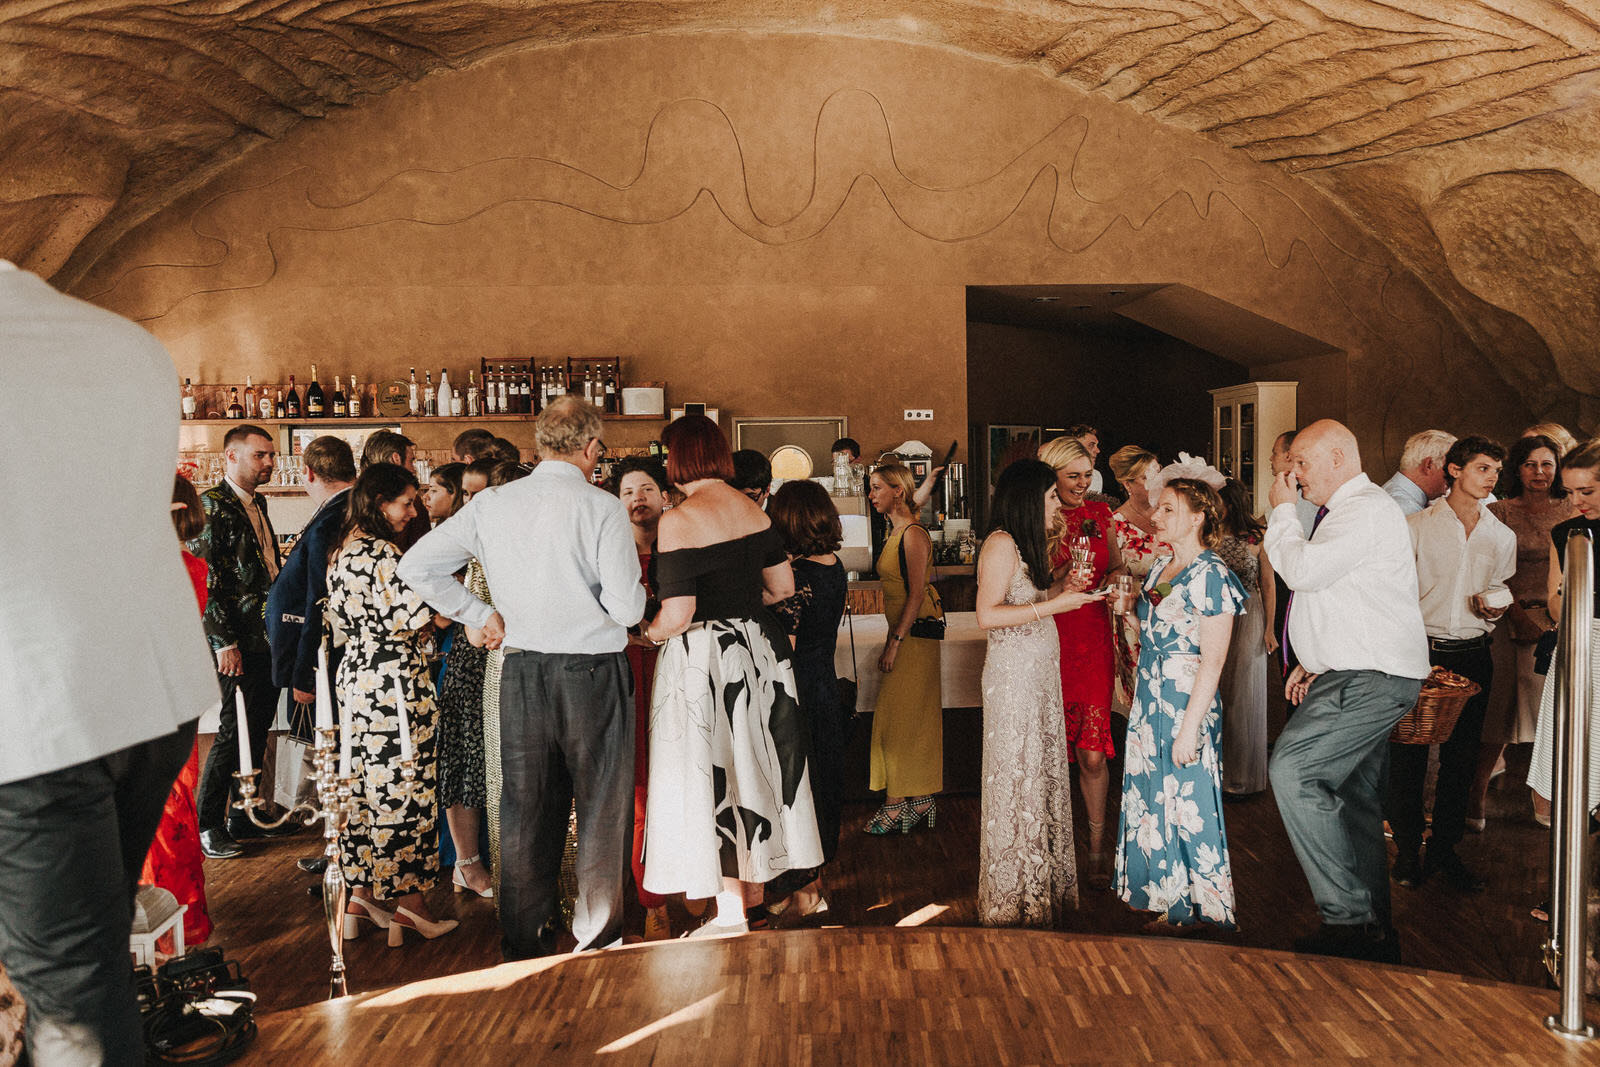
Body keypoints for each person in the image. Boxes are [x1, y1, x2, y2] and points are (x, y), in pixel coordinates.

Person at [0, 260, 216, 1063]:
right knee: (85, 969)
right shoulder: (123, 344)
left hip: (34, 708)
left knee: (73, 1007)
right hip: (150, 688)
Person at [398, 396, 644, 957]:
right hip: (592, 673)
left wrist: (480, 614)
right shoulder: (602, 507)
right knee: (602, 808)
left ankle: (522, 942)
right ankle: (598, 940)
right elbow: (629, 610)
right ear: (591, 449)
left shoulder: (491, 505)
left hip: (522, 671)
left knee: (525, 809)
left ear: (538, 447)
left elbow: (417, 565)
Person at [640, 414, 822, 937]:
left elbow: (677, 614)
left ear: (680, 459)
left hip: (705, 658)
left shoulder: (679, 519)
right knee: (754, 771)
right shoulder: (751, 509)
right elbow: (783, 587)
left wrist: (645, 635)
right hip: (758, 654)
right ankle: (756, 907)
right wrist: (742, 608)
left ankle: (728, 913)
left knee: (711, 772)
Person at [1265, 419, 1430, 963]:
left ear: (1337, 457)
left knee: (1293, 769)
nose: (1294, 475)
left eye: (1302, 464)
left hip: (1371, 678)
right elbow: (1346, 599)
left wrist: (1282, 511)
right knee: (1355, 799)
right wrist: (1315, 662)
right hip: (1354, 672)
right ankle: (1377, 934)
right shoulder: (1356, 513)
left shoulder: (1364, 510)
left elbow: (1302, 571)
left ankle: (1349, 920)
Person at [326, 462, 458, 945]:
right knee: (407, 784)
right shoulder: (381, 553)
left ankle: (360, 895)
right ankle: (411, 907)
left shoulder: (342, 550)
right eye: (406, 501)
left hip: (358, 674)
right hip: (395, 681)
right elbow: (431, 616)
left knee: (365, 787)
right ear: (381, 504)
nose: (413, 509)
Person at [976, 459, 1109, 926]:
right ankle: (1014, 893)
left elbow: (1025, 601)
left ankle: (1040, 883)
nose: (1058, 503)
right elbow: (987, 616)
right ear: (1030, 499)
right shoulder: (999, 545)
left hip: (1037, 673)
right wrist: (1056, 603)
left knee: (1038, 769)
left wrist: (1059, 584)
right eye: (1052, 496)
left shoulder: (1025, 547)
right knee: (1018, 775)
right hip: (1014, 678)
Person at [1115, 462, 1245, 933]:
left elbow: (1213, 660)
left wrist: (1190, 728)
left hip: (1186, 703)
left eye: (1169, 509)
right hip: (1151, 698)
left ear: (1197, 517)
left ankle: (1192, 911)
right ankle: (1163, 895)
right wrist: (1129, 615)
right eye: (1156, 507)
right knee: (1153, 796)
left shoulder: (1212, 574)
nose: (1156, 516)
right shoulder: (1161, 566)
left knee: (1184, 798)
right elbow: (1157, 632)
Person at [1388, 436, 1514, 893]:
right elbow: (1394, 594)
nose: (1491, 478)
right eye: (1483, 468)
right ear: (1454, 469)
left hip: (1473, 654)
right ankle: (1406, 851)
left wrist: (1495, 608)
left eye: (1496, 471)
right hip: (1419, 652)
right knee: (1407, 757)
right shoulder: (1415, 526)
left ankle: (1445, 851)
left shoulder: (1502, 535)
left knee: (1461, 759)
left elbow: (1499, 589)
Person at [190, 423, 293, 859]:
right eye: (260, 455)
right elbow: (204, 579)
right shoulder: (212, 507)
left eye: (271, 455)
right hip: (235, 638)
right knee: (234, 731)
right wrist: (221, 642)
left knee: (257, 726)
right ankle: (208, 823)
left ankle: (242, 814)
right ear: (231, 457)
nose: (269, 462)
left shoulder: (259, 502)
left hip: (266, 634)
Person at [265, 435, 356, 880]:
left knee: (332, 752)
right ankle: (338, 844)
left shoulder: (331, 519)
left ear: (308, 474)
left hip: (323, 661)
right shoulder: (342, 511)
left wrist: (304, 672)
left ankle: (341, 849)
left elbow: (318, 603)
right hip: (324, 657)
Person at [1473, 435, 1572, 828]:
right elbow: (1490, 572)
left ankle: (1545, 801)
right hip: (1507, 622)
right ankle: (1474, 800)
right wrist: (1516, 616)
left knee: (1550, 717)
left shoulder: (1569, 509)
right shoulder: (1498, 511)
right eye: (1530, 464)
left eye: (1547, 464)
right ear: (1517, 469)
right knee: (1496, 717)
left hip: (1557, 624)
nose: (1539, 472)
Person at [1038, 434, 1122, 889]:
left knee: (1092, 754)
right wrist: (1062, 575)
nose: (1083, 485)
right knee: (1049, 751)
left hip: (1092, 640)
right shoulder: (1037, 518)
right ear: (1051, 477)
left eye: (1088, 476)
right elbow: (1026, 587)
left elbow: (1117, 564)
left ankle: (1095, 844)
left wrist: (1115, 580)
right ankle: (1050, 847)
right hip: (1049, 638)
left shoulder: (1100, 512)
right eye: (1073, 477)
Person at [766, 479, 850, 922]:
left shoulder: (795, 576)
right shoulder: (831, 565)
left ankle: (805, 887)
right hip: (824, 682)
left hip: (796, 687)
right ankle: (814, 882)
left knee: (796, 785)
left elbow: (788, 645)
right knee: (821, 784)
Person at [140, 474, 216, 954]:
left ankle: (172, 923)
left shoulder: (167, 569)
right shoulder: (189, 566)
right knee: (171, 808)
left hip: (153, 700)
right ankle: (175, 922)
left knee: (165, 814)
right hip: (173, 697)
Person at [606, 456, 673, 938]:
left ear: (665, 496)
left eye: (647, 488)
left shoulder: (680, 548)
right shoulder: (610, 555)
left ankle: (690, 884)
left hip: (675, 671)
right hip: (626, 675)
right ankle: (651, 900)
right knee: (639, 790)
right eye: (629, 491)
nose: (637, 499)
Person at [864, 462, 944, 834]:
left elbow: (915, 593)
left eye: (877, 487)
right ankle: (916, 799)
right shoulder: (898, 529)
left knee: (903, 719)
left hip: (912, 638)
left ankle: (900, 803)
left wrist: (895, 643)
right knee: (902, 718)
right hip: (903, 633)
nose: (871, 494)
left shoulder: (912, 534)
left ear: (896, 489)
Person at [1528, 440, 1600, 831]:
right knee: (1572, 761)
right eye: (1570, 492)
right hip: (1579, 645)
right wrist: (1567, 593)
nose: (1576, 502)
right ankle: (1572, 885)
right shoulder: (1568, 533)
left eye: (1586, 492)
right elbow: (1555, 606)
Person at [1216, 478, 1269, 797]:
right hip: (1217, 613)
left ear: (1231, 505)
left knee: (1244, 693)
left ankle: (1244, 776)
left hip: (1249, 613)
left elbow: (1268, 583)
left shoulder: (1257, 536)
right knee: (1220, 691)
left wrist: (1271, 629)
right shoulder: (1208, 535)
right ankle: (1219, 772)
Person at [1109, 445, 1163, 718]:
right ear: (1127, 483)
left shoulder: (1171, 515)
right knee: (1145, 705)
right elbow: (1114, 578)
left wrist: (1166, 592)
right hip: (1134, 621)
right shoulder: (1115, 524)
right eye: (1146, 477)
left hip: (1174, 614)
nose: (1157, 481)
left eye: (1158, 472)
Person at [363, 430, 432, 549]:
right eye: (411, 461)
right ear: (396, 459)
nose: (413, 470)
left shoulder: (354, 499)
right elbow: (424, 552)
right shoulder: (412, 503)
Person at [1381, 430, 1456, 516]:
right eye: (1451, 469)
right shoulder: (1407, 509)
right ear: (1429, 465)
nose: (1454, 477)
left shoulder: (1396, 497)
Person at [1066, 423, 1108, 497]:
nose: (1098, 450)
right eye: (1091, 445)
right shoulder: (1059, 475)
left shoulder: (1096, 476)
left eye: (1097, 445)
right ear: (1074, 448)